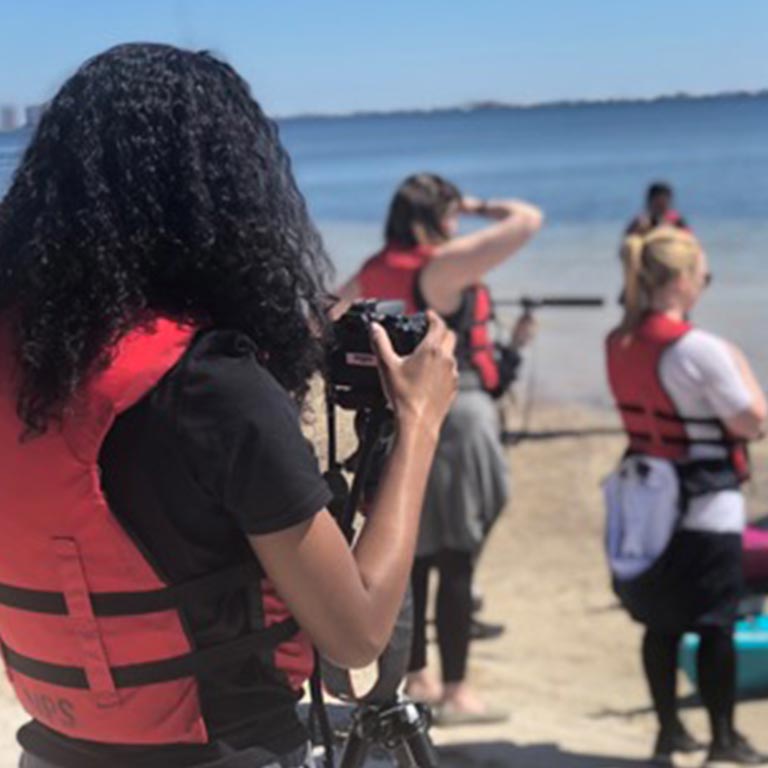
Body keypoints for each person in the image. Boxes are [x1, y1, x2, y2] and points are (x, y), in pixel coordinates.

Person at [0, 44, 459, 768]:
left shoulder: (26, 368)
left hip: (56, 746)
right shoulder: (210, 386)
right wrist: (421, 421)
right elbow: (357, 634)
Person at [335, 173, 542, 724]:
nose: (456, 223)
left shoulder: (376, 269)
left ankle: (417, 677)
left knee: (412, 554)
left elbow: (326, 317)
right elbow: (528, 220)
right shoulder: (441, 268)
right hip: (450, 414)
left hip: (392, 418)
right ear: (432, 218)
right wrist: (477, 203)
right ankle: (456, 692)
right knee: (457, 557)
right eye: (449, 214)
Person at [605, 227, 767, 766]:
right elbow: (752, 422)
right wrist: (740, 361)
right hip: (704, 502)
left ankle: (668, 730)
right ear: (680, 279)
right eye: (703, 276)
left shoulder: (619, 341)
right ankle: (723, 738)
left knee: (661, 621)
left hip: (646, 496)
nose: (703, 284)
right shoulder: (700, 348)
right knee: (716, 622)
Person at [625, 182, 690, 237]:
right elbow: (628, 238)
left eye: (663, 203)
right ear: (650, 202)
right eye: (657, 203)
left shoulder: (677, 221)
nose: (660, 206)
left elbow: (689, 238)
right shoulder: (640, 222)